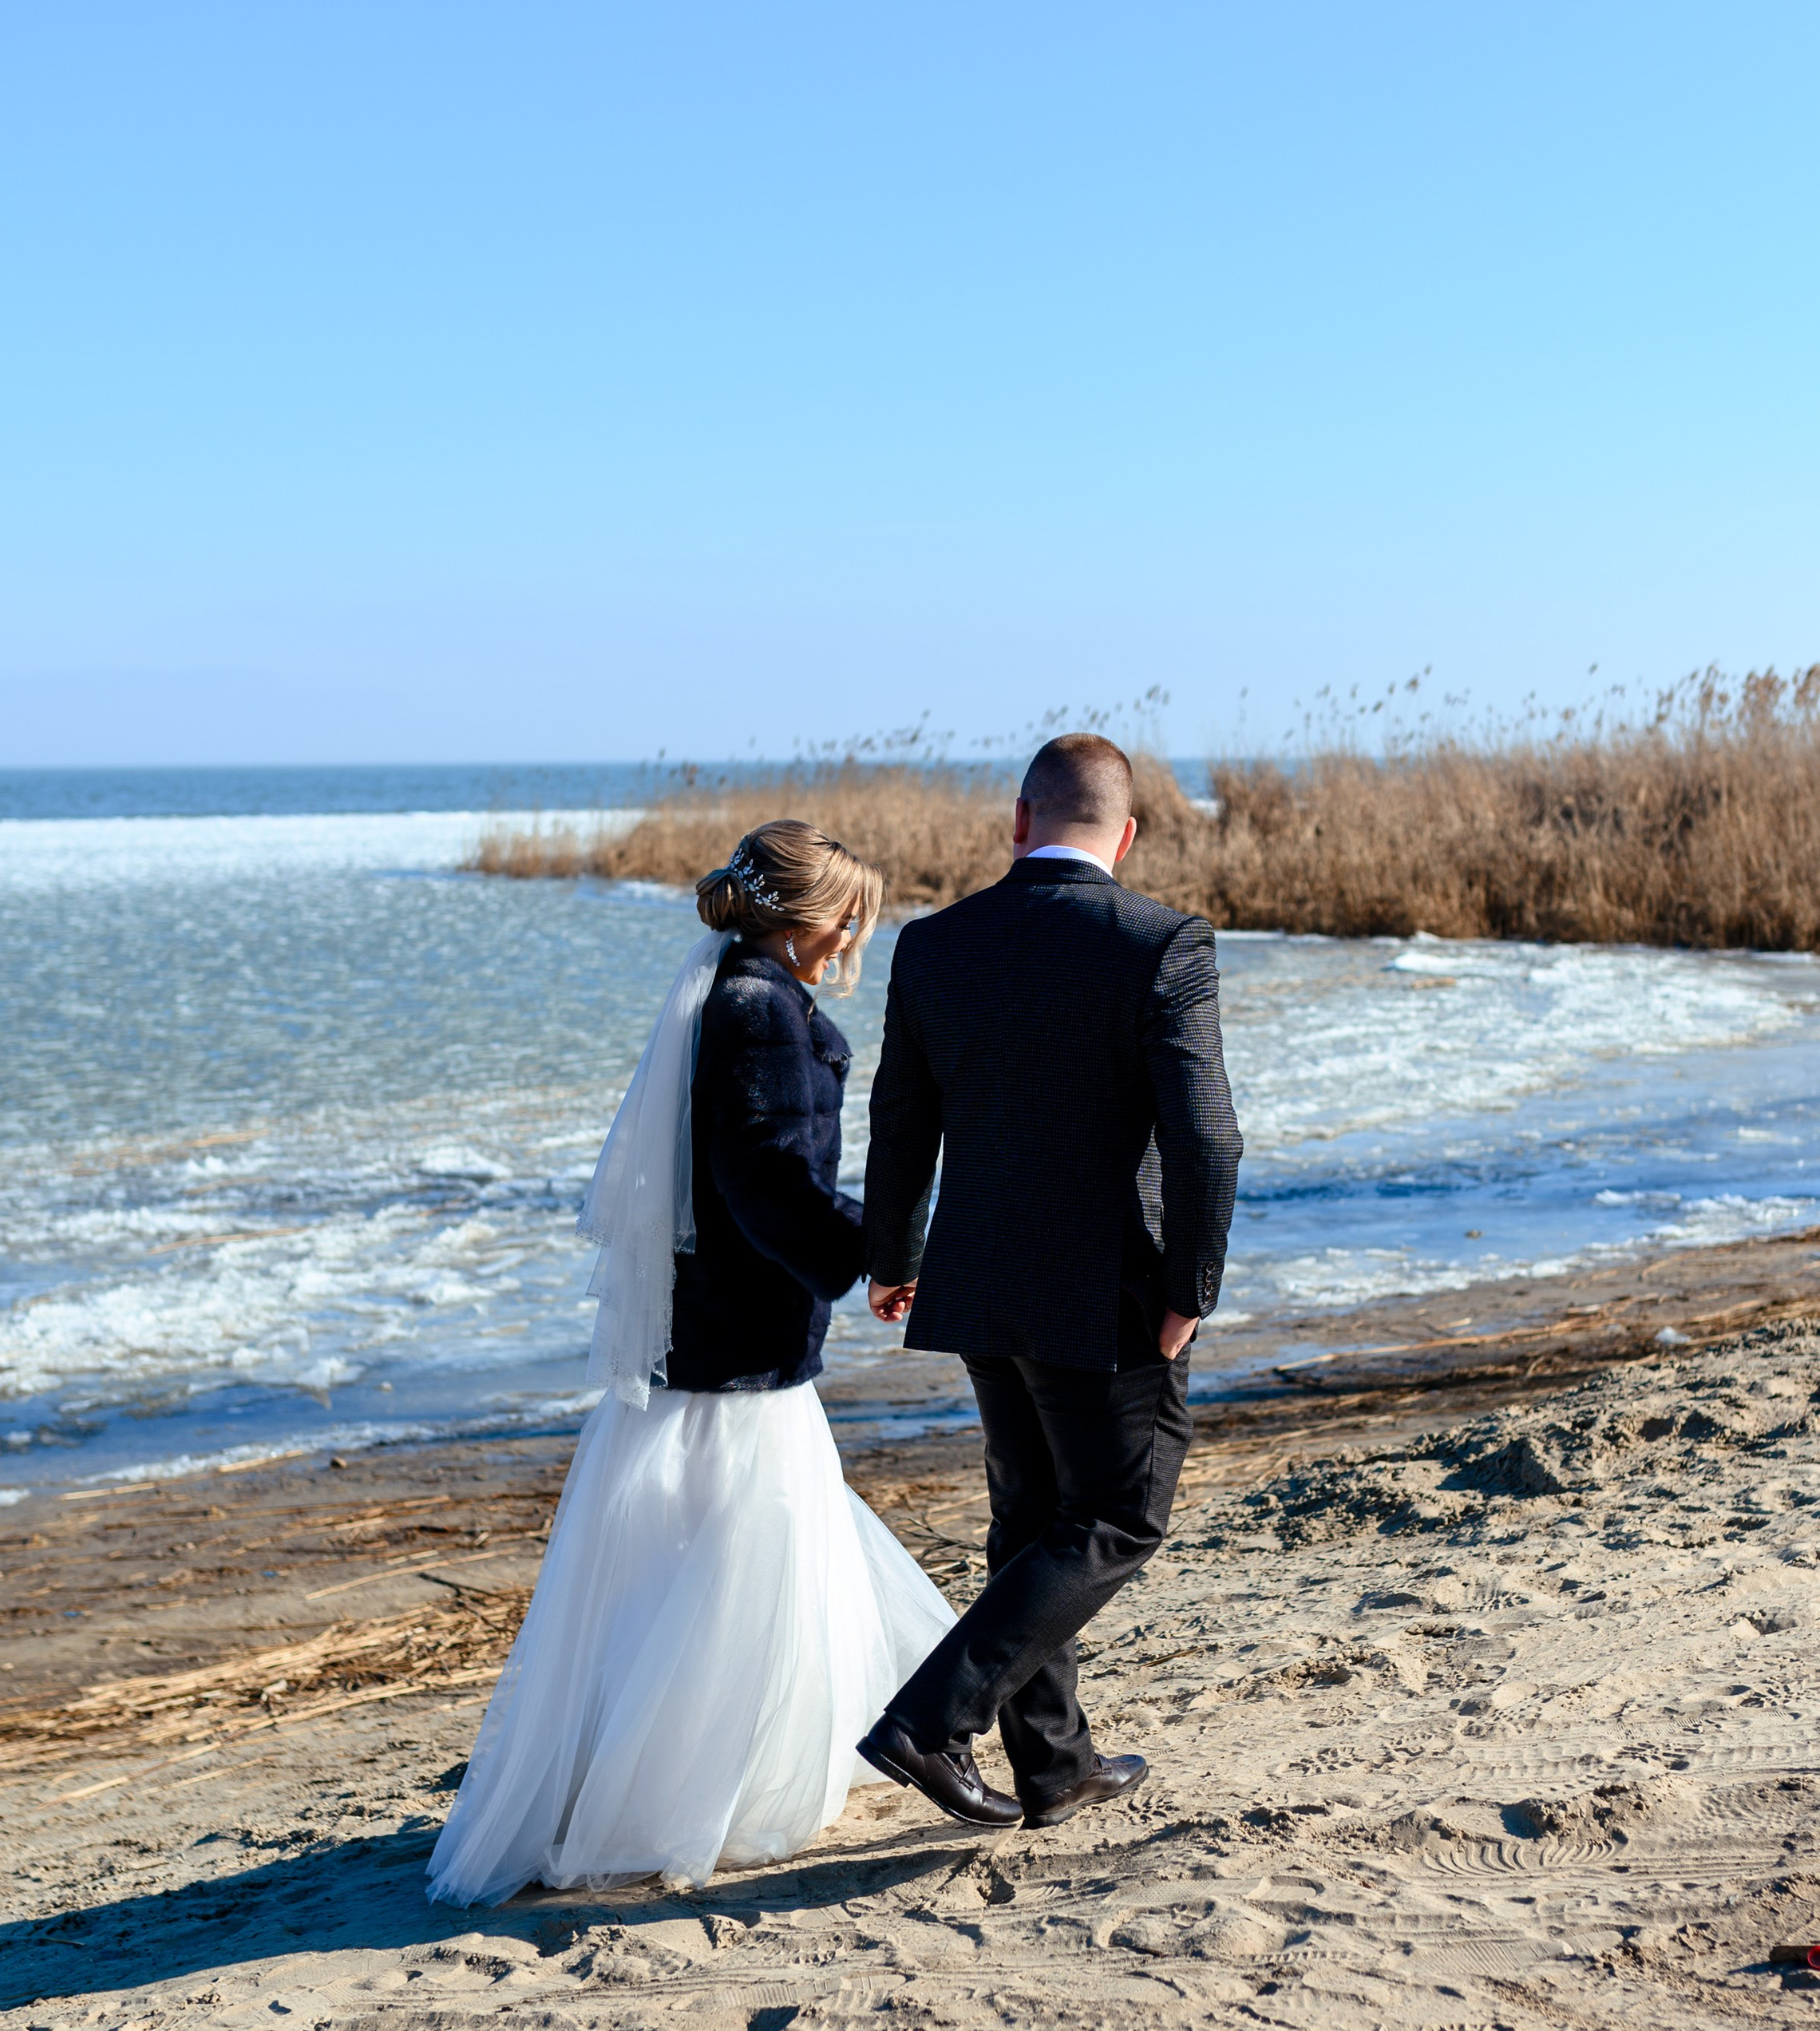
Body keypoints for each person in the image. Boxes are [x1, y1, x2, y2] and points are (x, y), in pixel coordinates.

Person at [425, 821, 954, 1906]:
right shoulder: (756, 1011)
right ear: (809, 916)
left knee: (719, 1560)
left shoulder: (732, 988)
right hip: (734, 1340)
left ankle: (724, 1771)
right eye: (851, 909)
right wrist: (875, 1254)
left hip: (724, 1330)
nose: (860, 929)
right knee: (731, 1564)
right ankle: (695, 1792)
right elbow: (766, 1181)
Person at [857, 732, 1242, 1833]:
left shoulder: (934, 945)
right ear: (1124, 836)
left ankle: (1056, 1765)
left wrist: (894, 1257)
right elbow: (1208, 1141)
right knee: (1119, 1513)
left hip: (981, 1277)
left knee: (1033, 1518)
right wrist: (1191, 1291)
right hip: (1107, 1289)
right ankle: (933, 1721)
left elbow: (901, 1118)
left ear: (1019, 822)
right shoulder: (1163, 942)